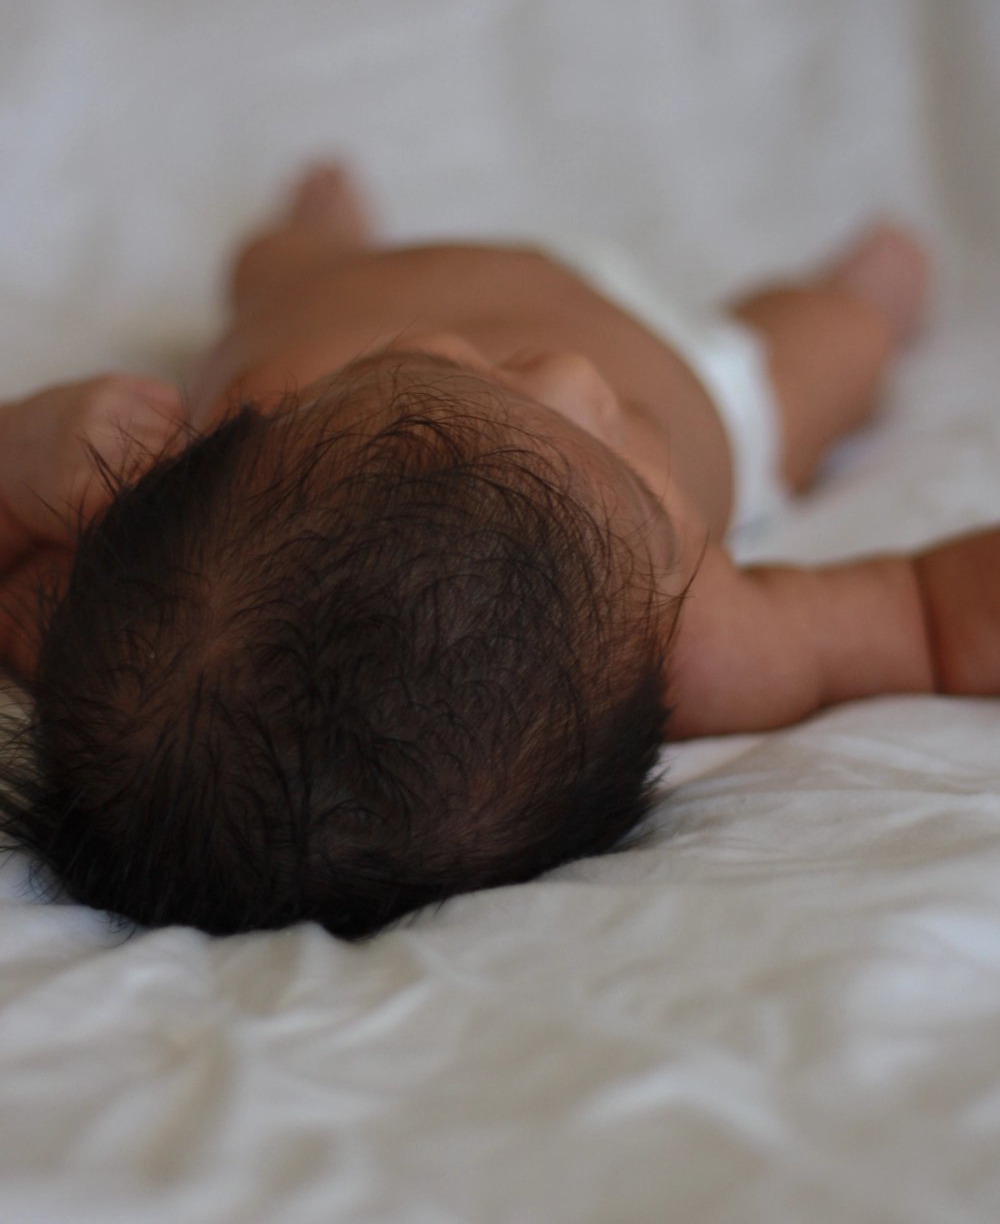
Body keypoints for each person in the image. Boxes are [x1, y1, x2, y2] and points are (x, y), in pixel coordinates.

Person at [0, 164, 996, 939]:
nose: (569, 374)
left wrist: (37, 447)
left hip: (350, 285)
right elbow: (922, 614)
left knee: (268, 266)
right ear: (654, 666)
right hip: (691, 361)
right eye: (640, 499)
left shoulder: (169, 598)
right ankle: (868, 287)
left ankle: (318, 234)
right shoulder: (716, 645)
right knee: (824, 352)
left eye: (426, 366)